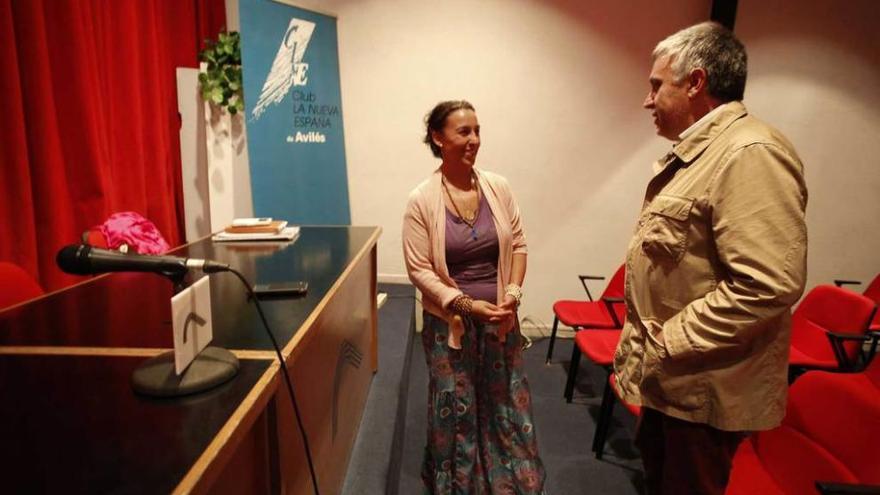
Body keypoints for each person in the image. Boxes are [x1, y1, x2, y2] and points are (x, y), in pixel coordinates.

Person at [613, 22, 808, 495]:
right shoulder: (704, 153)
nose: (647, 99)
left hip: (704, 390)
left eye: (656, 85)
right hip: (676, 381)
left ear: (696, 83)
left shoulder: (750, 153)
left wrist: (667, 341)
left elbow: (767, 284)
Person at [403, 100, 546, 494]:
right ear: (437, 137)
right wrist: (465, 305)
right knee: (455, 405)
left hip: (500, 320)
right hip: (450, 327)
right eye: (463, 132)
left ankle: (506, 478)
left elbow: (518, 243)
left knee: (503, 402)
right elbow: (418, 269)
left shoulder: (497, 187)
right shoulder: (421, 200)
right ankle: (458, 484)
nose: (474, 140)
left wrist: (513, 296)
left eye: (477, 131)